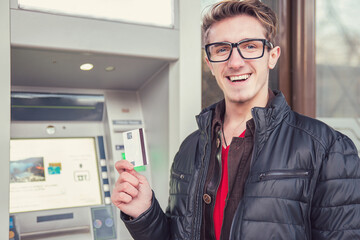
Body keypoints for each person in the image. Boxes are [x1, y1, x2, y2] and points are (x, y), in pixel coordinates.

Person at [111, 0, 360, 239]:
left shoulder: (328, 148)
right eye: (222, 49)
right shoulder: (190, 149)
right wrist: (144, 213)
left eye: (250, 46)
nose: (235, 62)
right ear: (209, 62)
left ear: (272, 56)